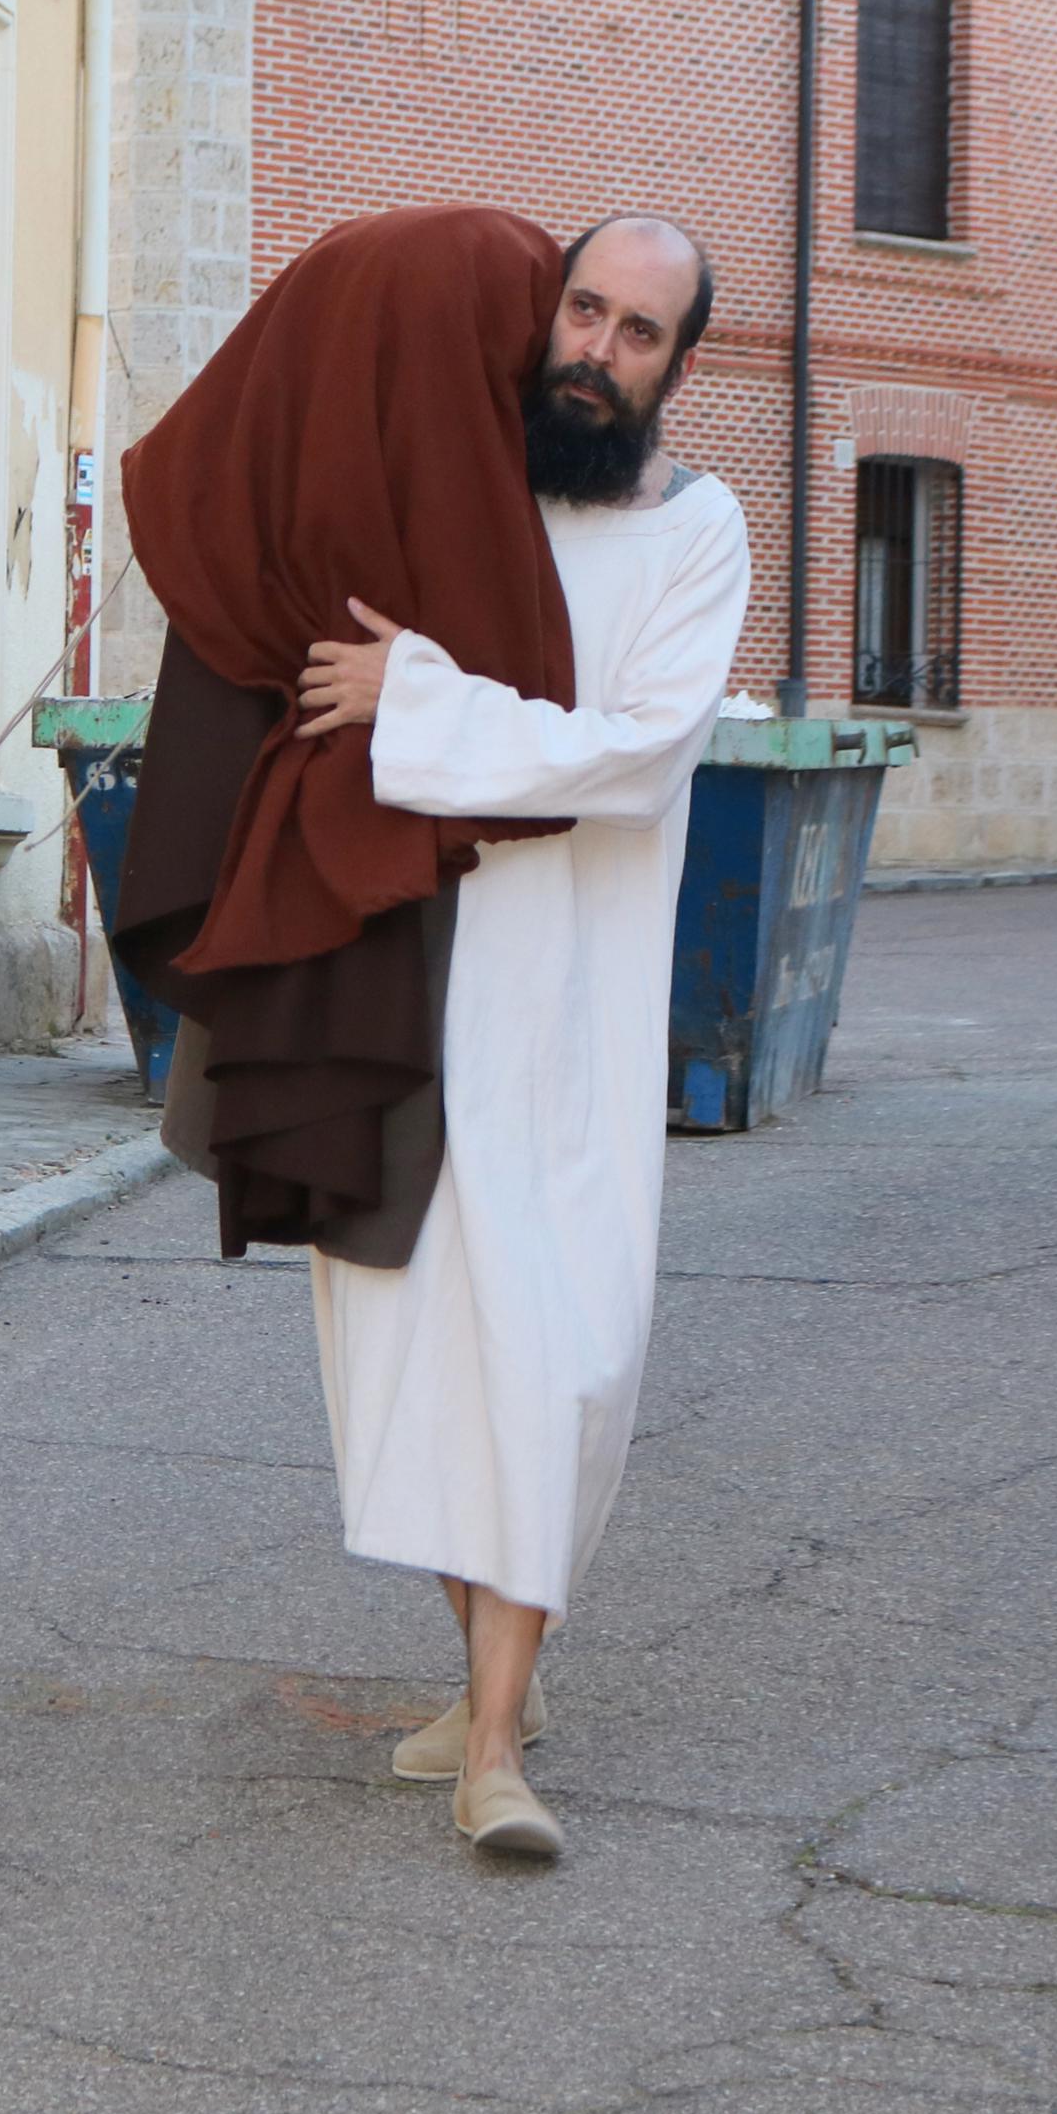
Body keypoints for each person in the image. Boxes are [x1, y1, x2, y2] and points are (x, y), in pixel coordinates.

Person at [285, 214, 751, 1860]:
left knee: (552, 1349)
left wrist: (415, 701)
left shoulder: (701, 536)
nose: (598, 352)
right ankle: (493, 1681)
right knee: (406, 1341)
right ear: (544, 310)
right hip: (411, 975)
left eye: (640, 333)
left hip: (573, 1005)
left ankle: (496, 1752)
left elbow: (631, 758)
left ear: (677, 365)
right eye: (584, 312)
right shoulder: (463, 487)